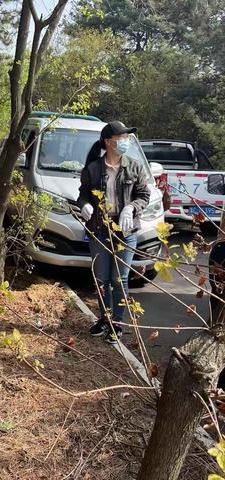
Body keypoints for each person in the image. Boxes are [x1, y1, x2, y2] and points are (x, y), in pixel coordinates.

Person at [78, 121, 150, 344]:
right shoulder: (93, 169)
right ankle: (104, 319)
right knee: (102, 279)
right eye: (122, 138)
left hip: (126, 233)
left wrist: (131, 207)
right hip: (100, 231)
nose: (126, 141)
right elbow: (83, 195)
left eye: (128, 138)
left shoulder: (135, 167)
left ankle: (117, 324)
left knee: (120, 280)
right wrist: (85, 205)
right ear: (109, 142)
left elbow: (144, 196)